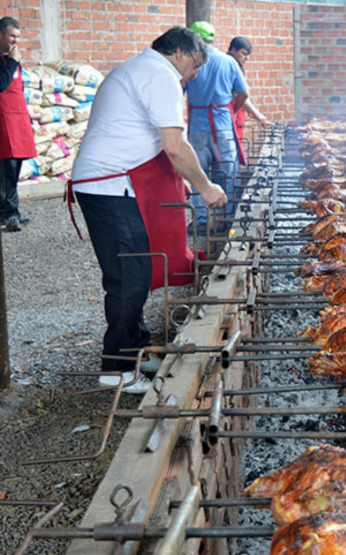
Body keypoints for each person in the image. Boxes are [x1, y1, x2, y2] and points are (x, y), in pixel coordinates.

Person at [69, 27, 228, 393]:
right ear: (181, 54)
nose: (195, 75)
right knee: (129, 275)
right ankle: (118, 370)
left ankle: (137, 349)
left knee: (136, 268)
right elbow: (175, 145)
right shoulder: (160, 75)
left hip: (110, 183)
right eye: (196, 66)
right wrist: (205, 187)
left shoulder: (142, 69)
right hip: (109, 186)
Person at [186, 21, 248, 232]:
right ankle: (230, 217)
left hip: (197, 125)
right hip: (222, 123)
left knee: (197, 172)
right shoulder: (228, 61)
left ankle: (201, 221)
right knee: (230, 171)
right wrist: (234, 110)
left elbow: (179, 89)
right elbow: (244, 93)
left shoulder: (191, 61)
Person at [0, 16, 37, 232]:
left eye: (18, 37)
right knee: (7, 167)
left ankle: (10, 211)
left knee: (17, 164)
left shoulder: (13, 58)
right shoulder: (8, 60)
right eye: (12, 36)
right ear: (1, 34)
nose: (16, 41)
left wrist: (27, 118)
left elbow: (19, 89)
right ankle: (10, 214)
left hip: (18, 116)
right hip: (3, 118)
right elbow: (2, 83)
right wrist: (13, 61)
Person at [227, 36, 268, 166]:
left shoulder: (238, 66)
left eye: (248, 55)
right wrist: (258, 116)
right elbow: (241, 95)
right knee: (230, 151)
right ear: (233, 50)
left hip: (236, 113)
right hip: (229, 113)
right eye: (243, 54)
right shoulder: (229, 65)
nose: (247, 58)